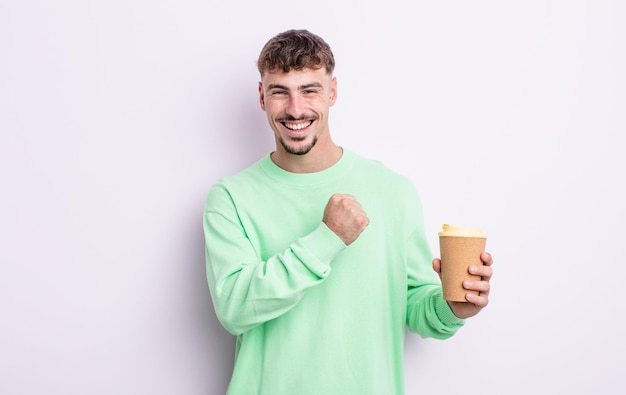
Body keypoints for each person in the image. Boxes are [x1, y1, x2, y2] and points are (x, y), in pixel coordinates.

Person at [203, 29, 494, 395]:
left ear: (333, 92)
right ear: (262, 96)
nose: (295, 109)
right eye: (280, 91)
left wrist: (452, 307)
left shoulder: (393, 191)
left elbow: (418, 308)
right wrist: (327, 238)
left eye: (310, 90)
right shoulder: (231, 198)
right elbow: (235, 309)